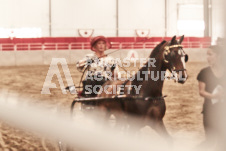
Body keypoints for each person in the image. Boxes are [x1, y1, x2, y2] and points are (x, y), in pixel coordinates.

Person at [196, 45, 225, 149]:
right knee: (210, 141)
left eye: (210, 54)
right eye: (207, 54)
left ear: (219, 56)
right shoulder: (204, 73)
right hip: (209, 111)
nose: (208, 57)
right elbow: (201, 92)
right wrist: (214, 96)